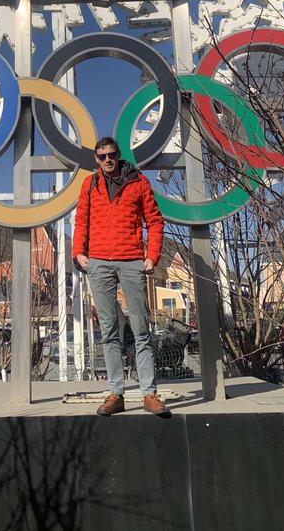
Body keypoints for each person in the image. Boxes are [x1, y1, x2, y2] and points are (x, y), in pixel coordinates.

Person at [73, 136, 170, 417]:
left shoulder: (138, 182)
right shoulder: (89, 185)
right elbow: (81, 220)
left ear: (118, 155)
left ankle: (149, 394)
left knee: (141, 330)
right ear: (96, 159)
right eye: (102, 156)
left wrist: (152, 256)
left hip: (131, 262)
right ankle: (116, 393)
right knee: (109, 332)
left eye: (111, 155)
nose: (107, 160)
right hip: (99, 264)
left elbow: (154, 220)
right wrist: (79, 252)